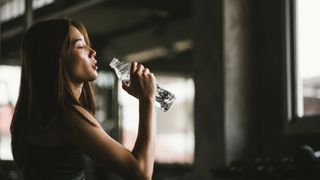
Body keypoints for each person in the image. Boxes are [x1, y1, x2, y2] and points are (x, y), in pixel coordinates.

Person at [10, 19, 156, 180]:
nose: (92, 51)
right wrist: (147, 99)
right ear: (56, 59)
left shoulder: (34, 116)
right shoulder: (68, 116)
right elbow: (141, 172)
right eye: (80, 46)